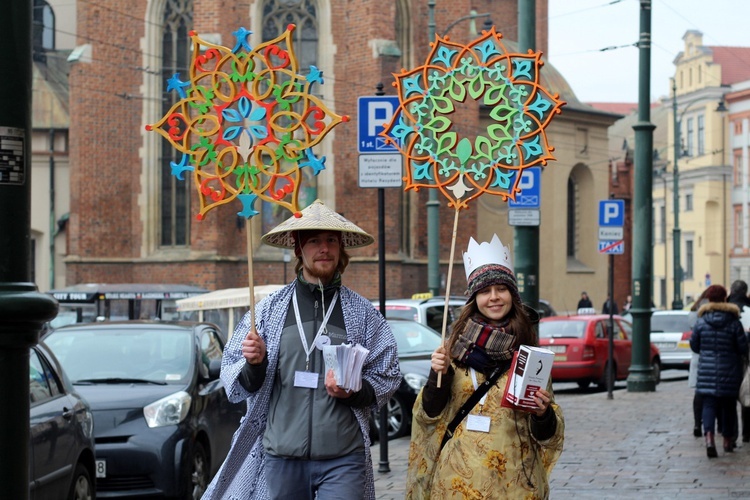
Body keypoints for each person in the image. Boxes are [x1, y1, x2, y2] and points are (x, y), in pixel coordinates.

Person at [202, 200, 401, 499]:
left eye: (331, 240)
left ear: (341, 247)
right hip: (282, 457)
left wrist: (354, 392)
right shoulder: (268, 311)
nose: (324, 248)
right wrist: (254, 363)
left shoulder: (362, 312)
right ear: (298, 249)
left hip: (343, 458)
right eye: (314, 241)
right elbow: (237, 383)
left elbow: (388, 374)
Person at [405, 234, 564, 499]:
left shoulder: (529, 352)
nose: (494, 297)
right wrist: (438, 375)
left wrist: (543, 413)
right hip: (456, 483)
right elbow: (429, 415)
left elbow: (546, 435)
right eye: (484, 291)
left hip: (515, 482)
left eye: (501, 289)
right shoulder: (452, 348)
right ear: (474, 297)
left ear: (512, 294)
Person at [690, 284, 749, 458]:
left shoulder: (701, 321)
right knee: (728, 406)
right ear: (725, 298)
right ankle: (727, 441)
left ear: (708, 299)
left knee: (708, 405)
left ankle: (709, 439)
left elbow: (694, 346)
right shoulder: (734, 321)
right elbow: (742, 347)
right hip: (729, 370)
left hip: (706, 371)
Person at [727, 279, 750, 444]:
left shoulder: (725, 309)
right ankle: (747, 433)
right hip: (746, 358)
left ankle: (730, 435)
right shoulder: (749, 309)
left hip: (728, 359)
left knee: (728, 398)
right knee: (747, 395)